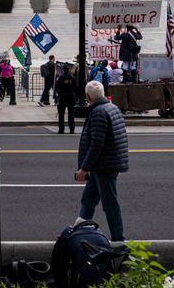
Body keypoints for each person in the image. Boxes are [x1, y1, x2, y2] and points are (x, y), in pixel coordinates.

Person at [74, 81, 129, 242]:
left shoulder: (98, 112)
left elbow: (97, 144)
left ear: (88, 96)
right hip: (108, 163)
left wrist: (84, 168)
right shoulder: (112, 107)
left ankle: (119, 240)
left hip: (104, 165)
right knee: (88, 200)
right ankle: (79, 233)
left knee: (110, 204)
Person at [55, 63, 78, 134]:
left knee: (61, 114)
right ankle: (72, 129)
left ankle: (61, 129)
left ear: (63, 70)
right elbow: (76, 88)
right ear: (68, 70)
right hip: (71, 97)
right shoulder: (73, 78)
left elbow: (57, 88)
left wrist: (58, 96)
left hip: (63, 97)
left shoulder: (61, 78)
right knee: (71, 115)